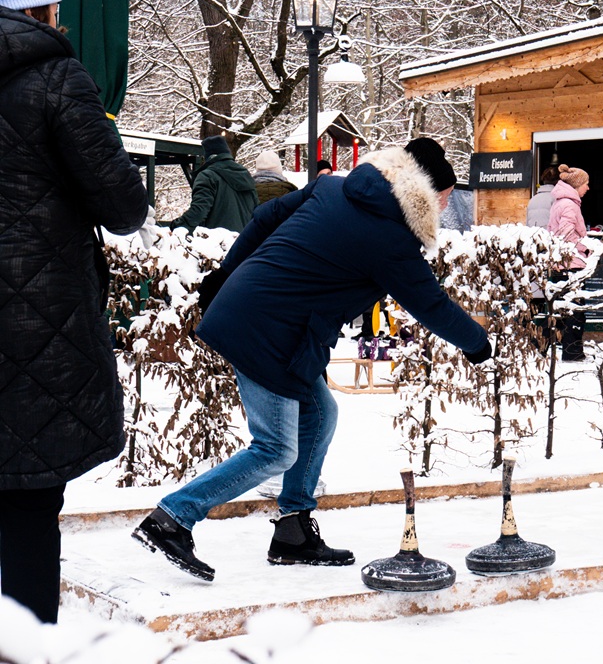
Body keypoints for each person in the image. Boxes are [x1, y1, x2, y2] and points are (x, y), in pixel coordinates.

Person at [132, 137, 491, 581]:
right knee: (276, 448)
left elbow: (265, 216)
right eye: (446, 194)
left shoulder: (332, 188)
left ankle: (293, 530)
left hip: (267, 319)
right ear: (425, 191)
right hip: (269, 331)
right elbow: (431, 304)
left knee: (320, 413)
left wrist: (226, 275)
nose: (446, 204)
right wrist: (477, 343)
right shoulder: (391, 237)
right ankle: (172, 517)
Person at [0, 0, 149, 623]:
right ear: (35, 10)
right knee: (29, 510)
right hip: (37, 338)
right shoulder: (58, 79)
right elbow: (123, 206)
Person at [161, 133, 258, 232]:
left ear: (207, 156)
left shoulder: (208, 176)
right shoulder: (245, 176)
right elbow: (256, 213)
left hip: (218, 242)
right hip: (244, 242)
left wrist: (177, 226)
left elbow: (199, 211)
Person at [548, 163, 590, 362]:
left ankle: (569, 350)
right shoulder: (569, 204)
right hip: (570, 264)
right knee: (575, 312)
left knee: (566, 310)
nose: (588, 188)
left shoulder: (561, 202)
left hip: (561, 263)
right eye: (586, 184)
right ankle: (573, 353)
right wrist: (586, 247)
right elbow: (565, 234)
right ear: (577, 185)